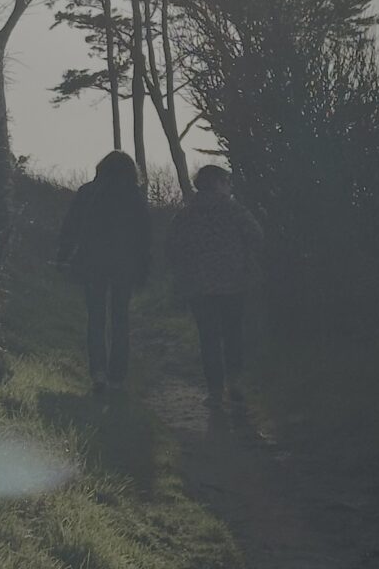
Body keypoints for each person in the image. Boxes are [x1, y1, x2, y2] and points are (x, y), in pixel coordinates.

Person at [168, 164, 263, 408]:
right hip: (233, 282)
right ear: (219, 183)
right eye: (226, 182)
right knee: (233, 334)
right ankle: (235, 383)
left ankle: (215, 390)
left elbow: (175, 247)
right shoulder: (234, 210)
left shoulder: (186, 213)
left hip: (198, 285)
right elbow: (256, 234)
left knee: (208, 338)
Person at [56, 151, 151, 393]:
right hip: (124, 264)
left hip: (93, 262)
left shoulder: (87, 192)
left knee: (96, 318)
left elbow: (71, 226)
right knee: (121, 318)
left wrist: (63, 257)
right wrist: (144, 268)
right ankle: (117, 377)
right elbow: (144, 237)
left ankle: (98, 372)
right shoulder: (135, 196)